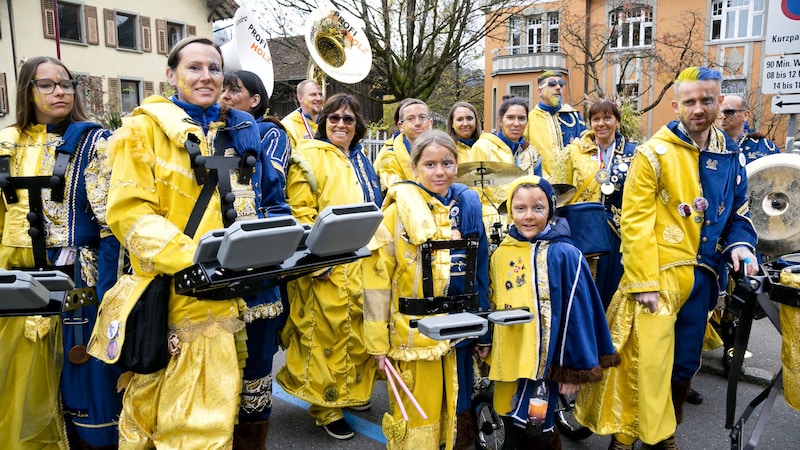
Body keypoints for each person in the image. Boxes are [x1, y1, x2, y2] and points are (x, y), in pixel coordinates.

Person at [91, 37, 270, 448]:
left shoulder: (233, 132)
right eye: (194, 67)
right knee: (155, 416)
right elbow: (129, 213)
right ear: (171, 74)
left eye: (214, 67)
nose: (206, 76)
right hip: (167, 299)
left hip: (223, 299)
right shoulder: (140, 131)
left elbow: (244, 209)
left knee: (212, 419)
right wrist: (198, 260)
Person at [574, 67, 759, 450]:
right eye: (689, 102)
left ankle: (664, 433)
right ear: (675, 106)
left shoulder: (730, 152)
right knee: (645, 363)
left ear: (719, 102)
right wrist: (644, 282)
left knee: (683, 364)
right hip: (657, 277)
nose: (698, 109)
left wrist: (741, 245)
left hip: (704, 279)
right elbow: (636, 223)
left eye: (706, 100)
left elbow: (739, 211)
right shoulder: (652, 153)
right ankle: (625, 440)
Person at [0, 56, 124, 450]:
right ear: (27, 91)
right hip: (16, 281)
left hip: (79, 281)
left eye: (66, 84)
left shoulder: (95, 141)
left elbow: (111, 227)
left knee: (87, 391)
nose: (60, 92)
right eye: (48, 85)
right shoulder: (6, 142)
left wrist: (108, 296)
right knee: (22, 383)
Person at [363, 129, 489, 449]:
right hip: (412, 339)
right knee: (417, 424)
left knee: (453, 418)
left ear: (457, 164)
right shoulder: (395, 213)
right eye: (429, 164)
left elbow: (479, 275)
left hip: (455, 333)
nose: (439, 171)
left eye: (446, 163)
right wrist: (378, 343)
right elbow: (376, 282)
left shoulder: (462, 206)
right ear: (415, 167)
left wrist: (481, 330)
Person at [276, 93, 382, 440]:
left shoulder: (363, 161)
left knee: (358, 331)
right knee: (323, 335)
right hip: (325, 263)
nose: (340, 124)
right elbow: (300, 211)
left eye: (348, 119)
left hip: (363, 261)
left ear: (357, 126)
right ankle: (326, 407)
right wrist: (314, 260)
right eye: (333, 118)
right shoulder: (307, 156)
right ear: (323, 123)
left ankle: (349, 393)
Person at [486, 175, 619, 449]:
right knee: (510, 425)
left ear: (551, 209)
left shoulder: (565, 254)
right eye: (520, 208)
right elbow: (493, 301)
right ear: (510, 210)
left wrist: (571, 370)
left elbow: (578, 314)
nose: (529, 216)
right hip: (511, 361)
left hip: (545, 367)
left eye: (538, 207)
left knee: (537, 431)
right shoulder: (501, 253)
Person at [219, 69, 292, 448]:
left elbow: (276, 199)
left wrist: (272, 238)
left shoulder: (262, 136)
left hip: (259, 277)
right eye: (222, 88)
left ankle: (252, 439)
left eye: (234, 88)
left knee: (258, 367)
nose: (225, 95)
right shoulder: (191, 135)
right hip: (209, 279)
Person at [712, 94, 781, 370]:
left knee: (743, 292)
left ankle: (734, 348)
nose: (724, 116)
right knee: (713, 294)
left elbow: (780, 186)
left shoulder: (763, 147)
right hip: (716, 229)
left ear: (745, 115)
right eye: (721, 112)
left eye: (730, 111)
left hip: (748, 230)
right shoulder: (711, 142)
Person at [559, 99, 637, 308]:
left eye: (607, 118)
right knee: (585, 288)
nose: (601, 123)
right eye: (596, 119)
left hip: (618, 232)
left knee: (613, 290)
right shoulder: (574, 151)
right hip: (584, 229)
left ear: (617, 121)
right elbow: (561, 189)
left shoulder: (634, 152)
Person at [472, 96, 540, 241]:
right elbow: (474, 193)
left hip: (526, 224)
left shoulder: (531, 152)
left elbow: (540, 188)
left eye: (521, 118)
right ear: (500, 121)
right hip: (492, 227)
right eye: (510, 118)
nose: (516, 123)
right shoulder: (483, 147)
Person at [524, 71, 587, 181]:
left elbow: (587, 149)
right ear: (539, 91)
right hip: (542, 185)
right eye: (552, 84)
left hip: (574, 183)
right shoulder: (529, 120)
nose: (558, 87)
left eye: (561, 84)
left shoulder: (574, 116)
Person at [373, 98, 433, 191]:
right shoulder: (389, 156)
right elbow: (397, 190)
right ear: (401, 126)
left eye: (422, 117)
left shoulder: (443, 151)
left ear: (430, 123)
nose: (417, 123)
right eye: (410, 119)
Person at [281, 79, 323, 150]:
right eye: (313, 95)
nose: (319, 98)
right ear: (300, 98)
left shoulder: (332, 122)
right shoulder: (288, 126)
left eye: (320, 94)